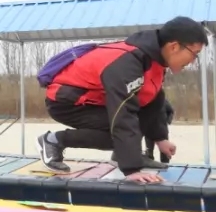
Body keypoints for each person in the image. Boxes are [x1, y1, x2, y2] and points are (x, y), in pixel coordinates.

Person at [37, 16, 208, 184]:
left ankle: (124, 155)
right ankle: (53, 140)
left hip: (95, 100)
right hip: (66, 102)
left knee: (135, 123)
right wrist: (132, 169)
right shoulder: (127, 63)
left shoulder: (154, 60)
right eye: (195, 54)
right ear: (174, 47)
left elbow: (152, 99)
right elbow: (123, 114)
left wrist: (160, 138)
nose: (193, 61)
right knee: (119, 133)